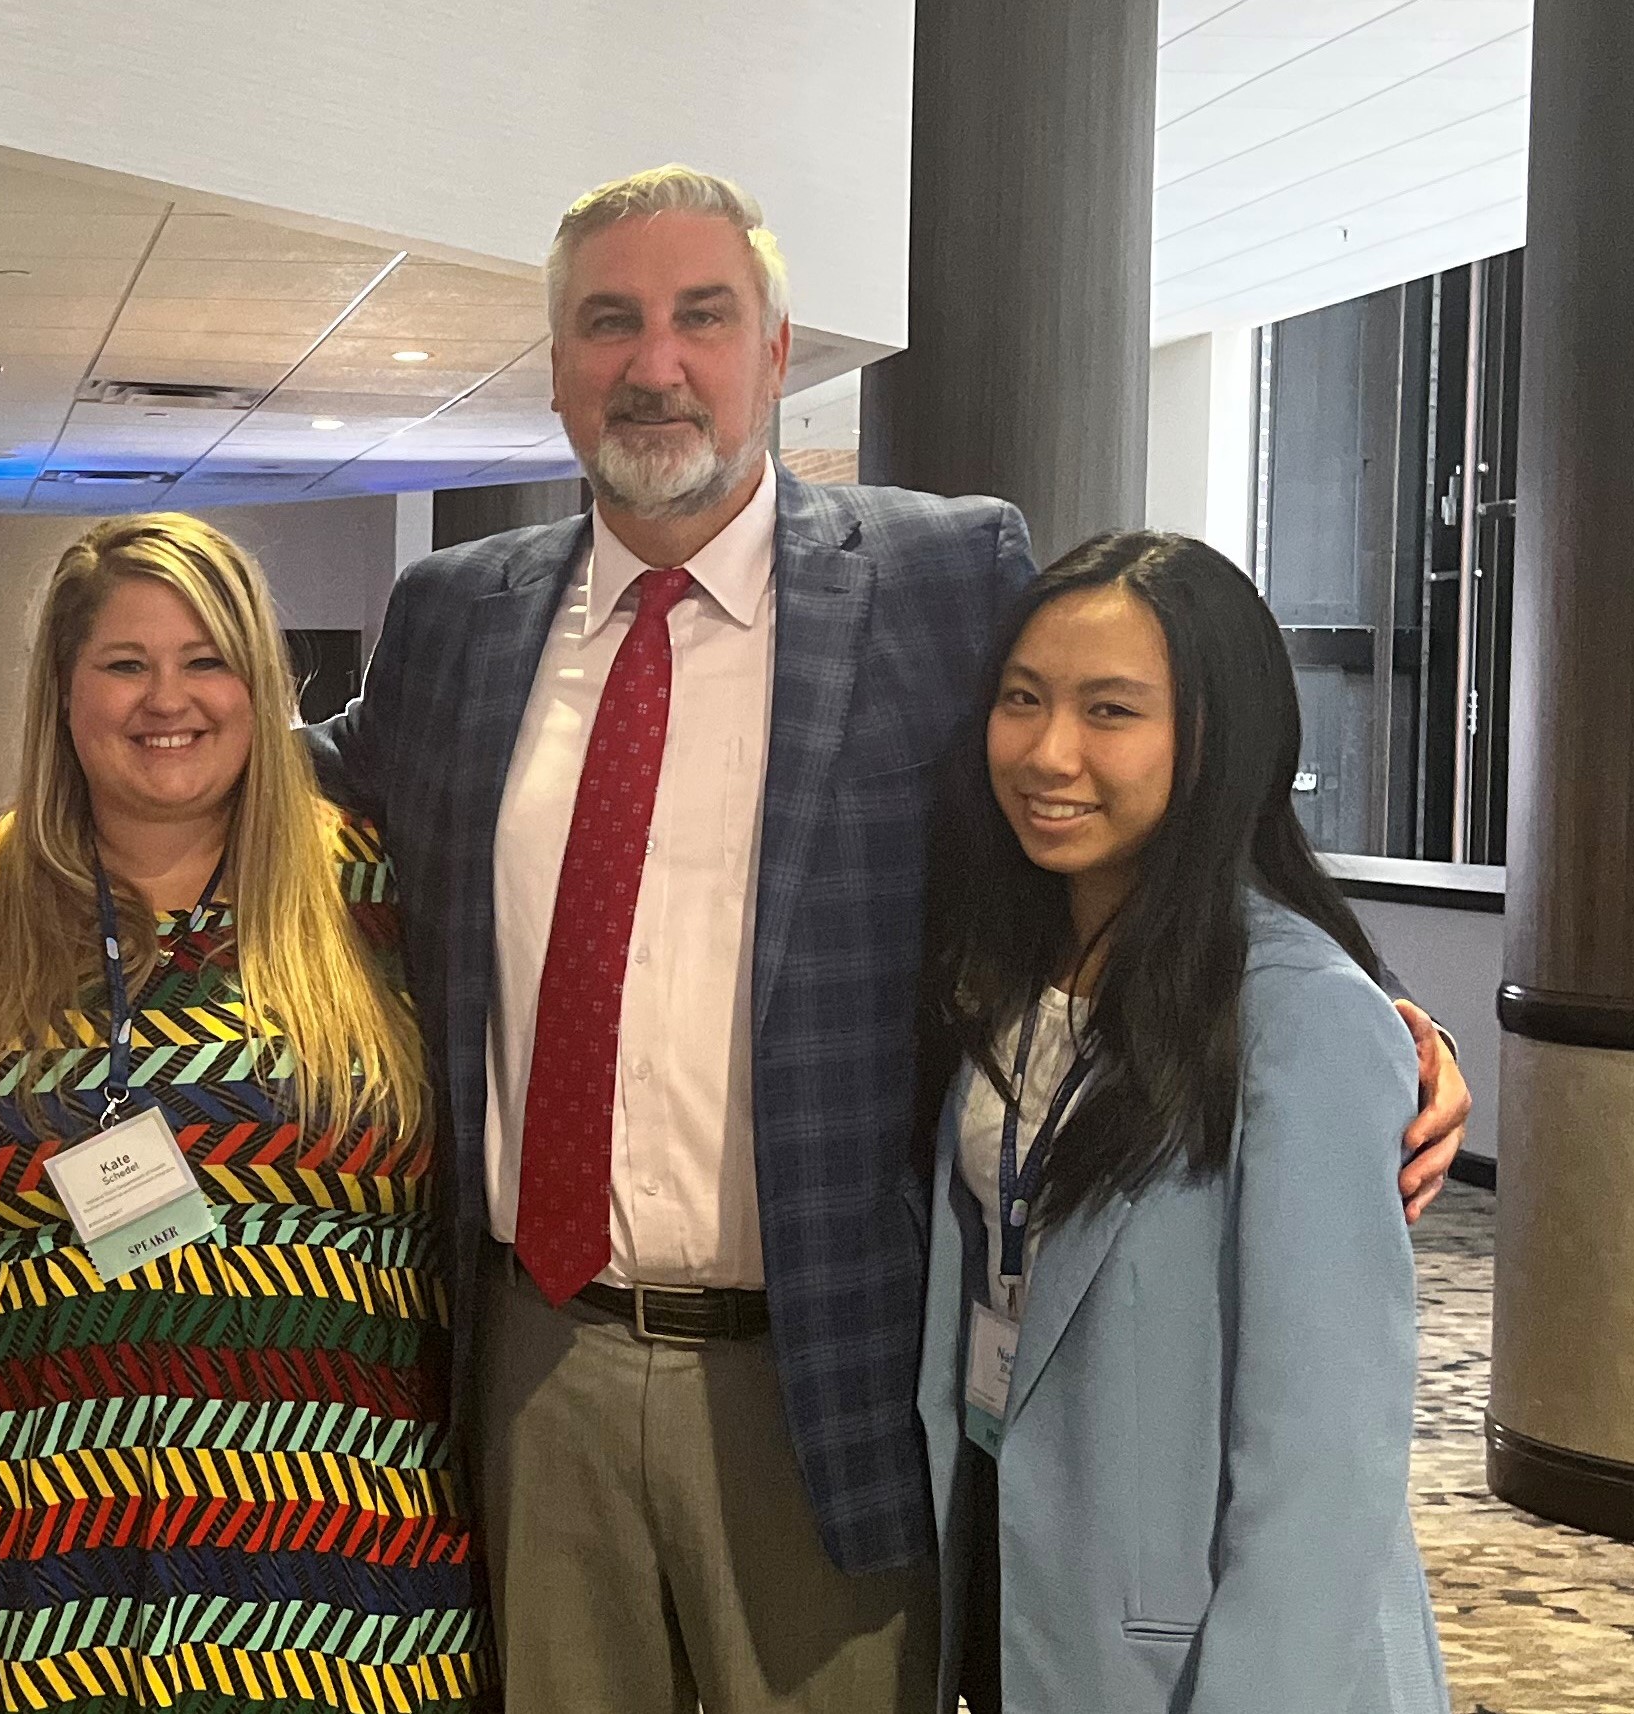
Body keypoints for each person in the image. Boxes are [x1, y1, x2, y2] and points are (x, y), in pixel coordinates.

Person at [302, 164, 1470, 1712]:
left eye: (701, 316)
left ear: (779, 353)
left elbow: (1142, 791)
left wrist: (1368, 1013)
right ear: (560, 363)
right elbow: (279, 783)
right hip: (536, 1361)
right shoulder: (457, 614)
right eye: (609, 322)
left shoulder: (941, 574)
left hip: (833, 1367)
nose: (655, 361)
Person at [0, 514, 482, 1713]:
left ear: (259, 681)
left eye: (206, 658)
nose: (165, 698)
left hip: (330, 1575)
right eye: (124, 662)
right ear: (64, 691)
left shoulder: (384, 892)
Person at [916, 531, 1446, 1712]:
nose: (1049, 752)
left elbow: (1324, 1457)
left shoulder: (1297, 1019)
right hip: (1018, 1580)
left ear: (1214, 740)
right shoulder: (1009, 967)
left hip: (1200, 1651)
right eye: (1023, 700)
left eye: (1111, 711)